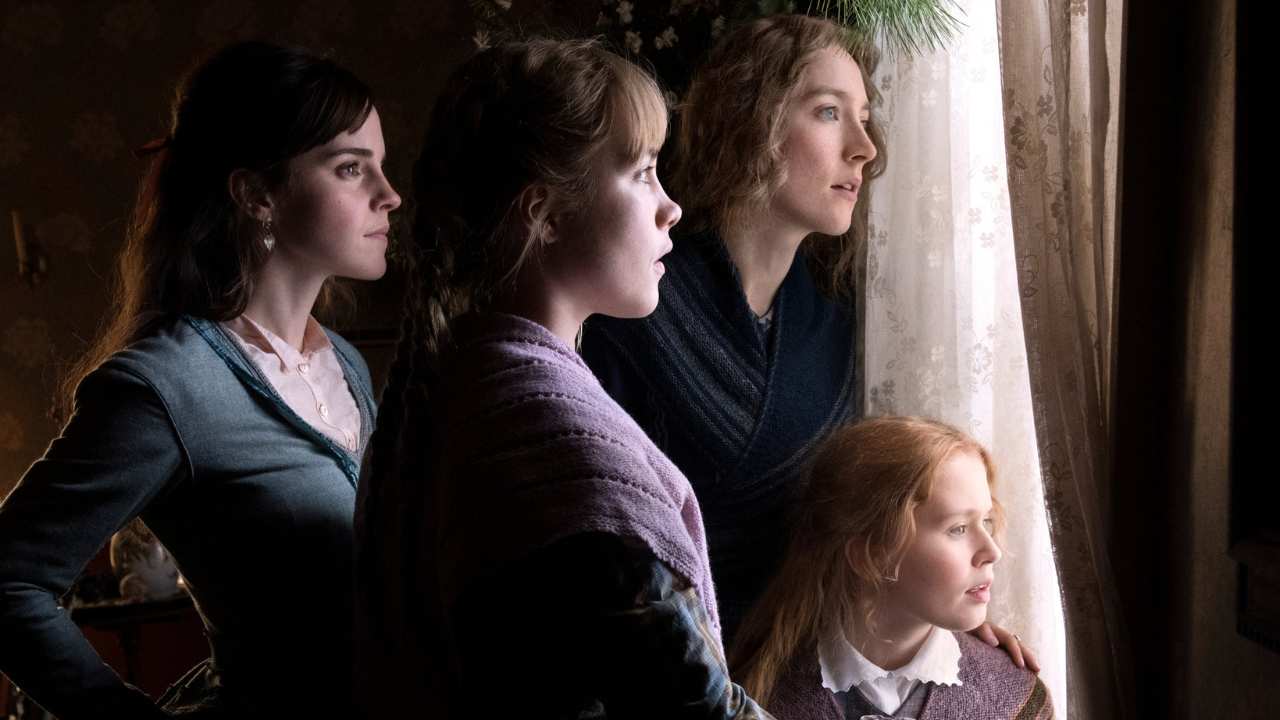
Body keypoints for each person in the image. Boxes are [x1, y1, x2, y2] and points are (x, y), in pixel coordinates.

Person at [582, 16, 1035, 666]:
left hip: (797, 659)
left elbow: (849, 538)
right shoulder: (639, 305)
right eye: (829, 112)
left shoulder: (832, 321)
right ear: (752, 121)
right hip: (660, 670)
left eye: (866, 116)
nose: (865, 148)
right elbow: (598, 540)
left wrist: (944, 612)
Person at [355, 37, 770, 718]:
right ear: (544, 213)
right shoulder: (553, 442)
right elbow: (694, 708)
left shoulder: (462, 379)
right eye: (641, 173)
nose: (673, 208)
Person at [0, 41, 400, 718]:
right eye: (350, 169)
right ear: (256, 195)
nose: (389, 196)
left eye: (380, 168)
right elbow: (8, 578)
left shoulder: (347, 363)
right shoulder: (165, 386)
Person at [731, 416, 1053, 719]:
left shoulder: (1016, 701)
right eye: (958, 529)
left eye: (986, 521)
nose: (992, 551)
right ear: (869, 554)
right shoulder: (758, 695)